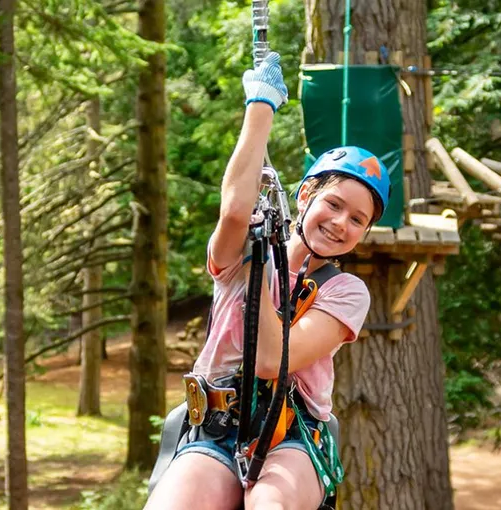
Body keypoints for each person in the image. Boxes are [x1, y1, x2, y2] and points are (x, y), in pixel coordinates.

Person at [145, 52, 390, 510]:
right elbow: (235, 211)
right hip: (216, 426)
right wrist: (261, 107)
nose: (340, 223)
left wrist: (260, 271)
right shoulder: (241, 252)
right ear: (305, 196)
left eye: (358, 219)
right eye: (333, 204)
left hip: (291, 436)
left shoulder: (346, 292)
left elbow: (271, 362)